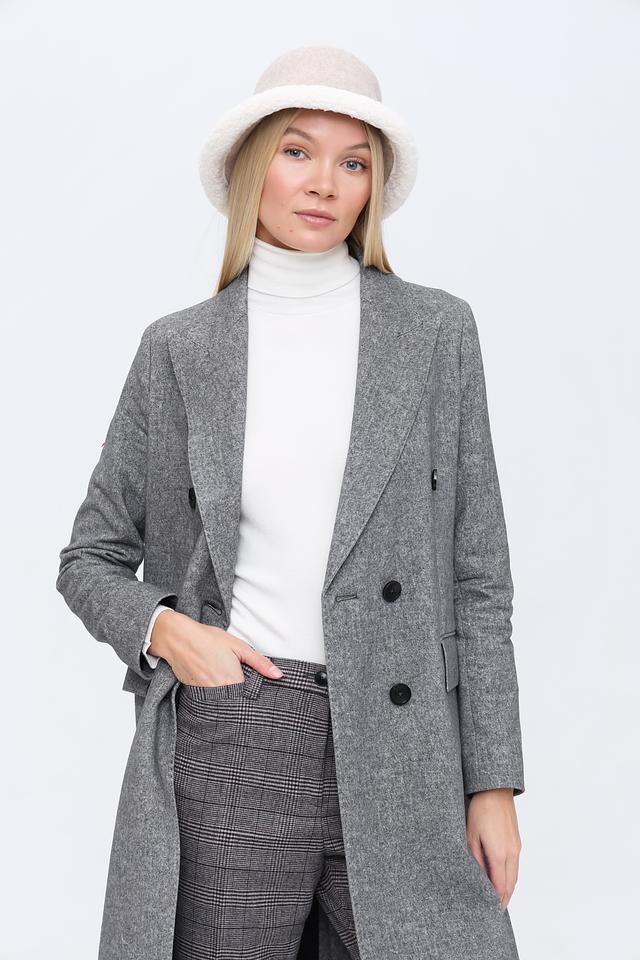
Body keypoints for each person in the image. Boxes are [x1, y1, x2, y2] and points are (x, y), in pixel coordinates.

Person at [57, 45, 525, 960]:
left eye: (354, 162)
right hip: (239, 732)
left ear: (373, 186)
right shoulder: (181, 351)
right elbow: (90, 558)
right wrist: (171, 632)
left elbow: (480, 576)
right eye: (297, 151)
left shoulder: (436, 333)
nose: (323, 183)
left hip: (406, 748)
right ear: (251, 166)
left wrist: (493, 780)